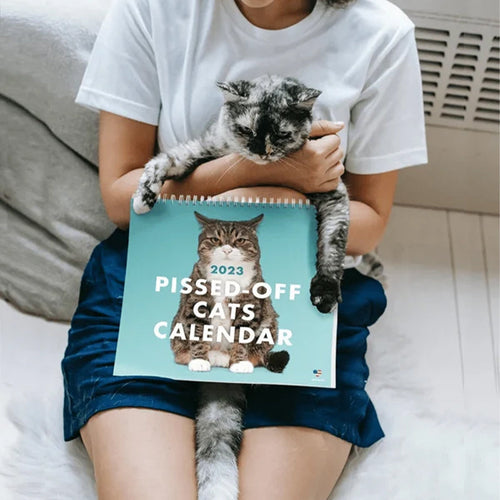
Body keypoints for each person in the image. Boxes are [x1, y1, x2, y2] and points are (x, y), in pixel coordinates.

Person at [61, 0, 427, 498]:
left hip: (299, 303)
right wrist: (271, 173)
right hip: (156, 284)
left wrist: (275, 192)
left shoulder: (382, 34)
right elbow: (122, 199)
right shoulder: (151, 9)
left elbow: (368, 225)